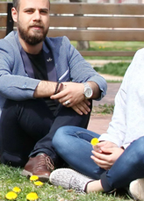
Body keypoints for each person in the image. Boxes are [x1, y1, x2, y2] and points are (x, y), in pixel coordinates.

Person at [0, 0, 107, 181]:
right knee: (20, 97)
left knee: (83, 97)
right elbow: (1, 80)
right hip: (13, 144)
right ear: (15, 14)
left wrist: (86, 89)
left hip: (50, 133)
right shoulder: (2, 49)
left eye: (43, 12)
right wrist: (58, 88)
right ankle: (48, 154)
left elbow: (97, 81)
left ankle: (44, 156)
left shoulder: (63, 47)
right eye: (29, 11)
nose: (37, 17)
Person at [49, 49, 144, 199]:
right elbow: (122, 108)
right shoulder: (140, 56)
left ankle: (96, 186)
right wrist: (111, 142)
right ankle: (131, 181)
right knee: (64, 136)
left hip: (139, 149)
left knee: (141, 147)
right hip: (126, 149)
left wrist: (125, 153)